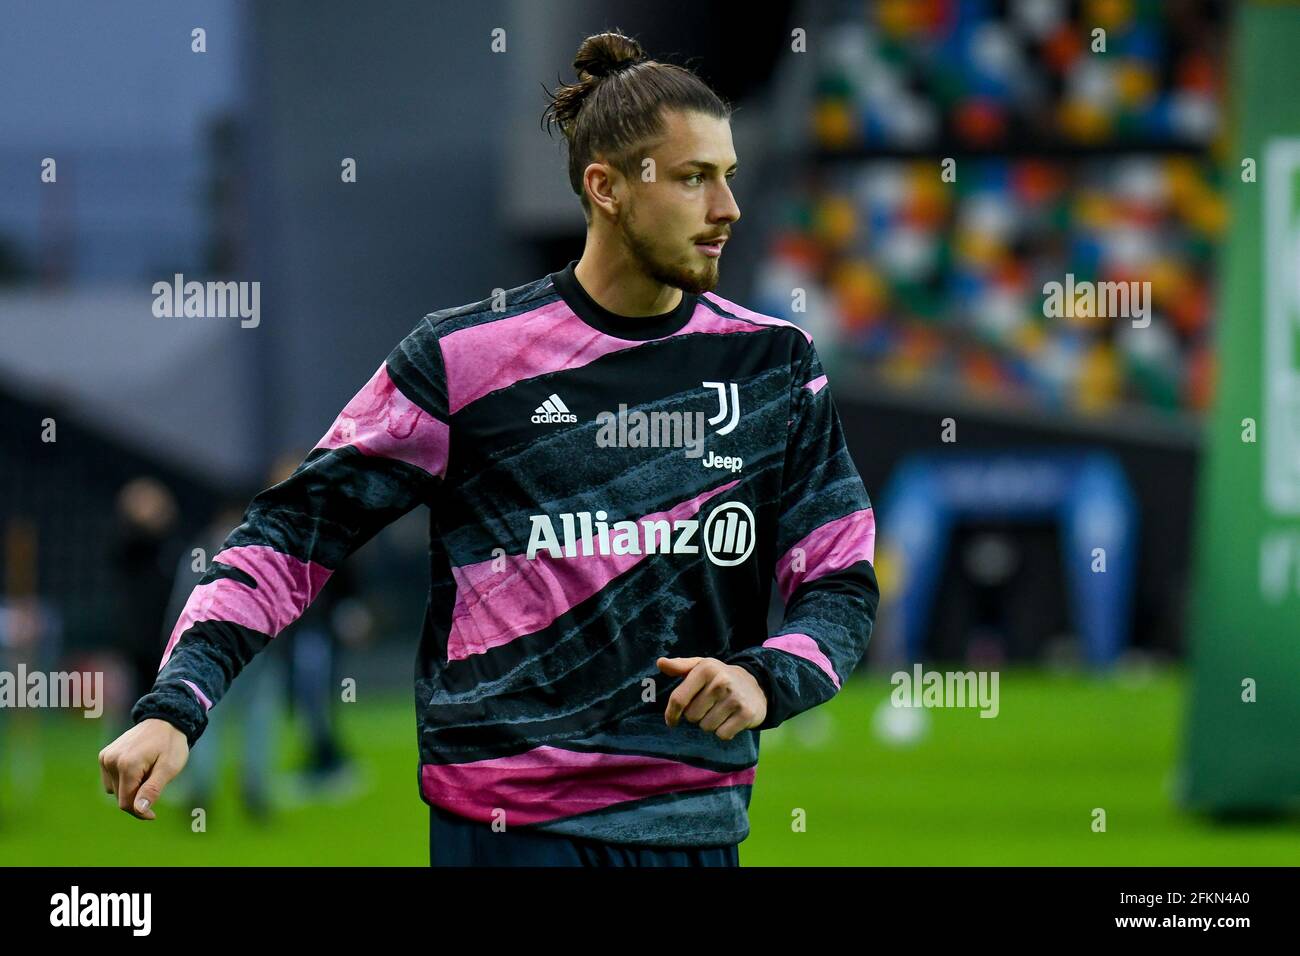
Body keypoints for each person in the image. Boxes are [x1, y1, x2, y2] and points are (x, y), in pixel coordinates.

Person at [98, 29, 879, 867]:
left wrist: (767, 677)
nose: (728, 207)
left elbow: (840, 578)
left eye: (727, 175)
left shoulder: (774, 365)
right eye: (694, 179)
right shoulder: (462, 360)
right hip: (506, 835)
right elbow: (290, 534)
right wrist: (176, 703)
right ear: (605, 187)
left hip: (694, 833)